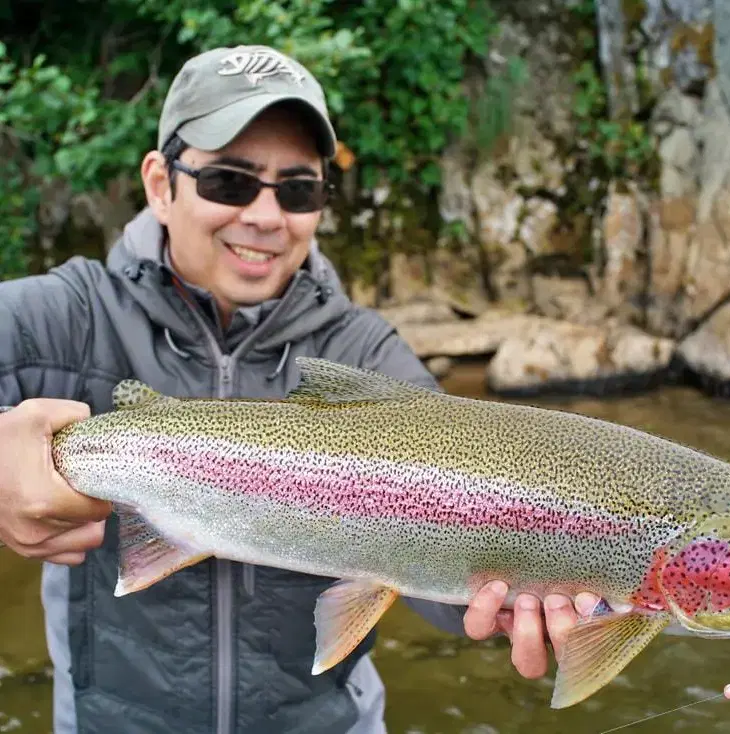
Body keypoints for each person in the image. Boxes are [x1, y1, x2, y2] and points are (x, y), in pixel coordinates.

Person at [0, 44, 597, 733]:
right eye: (229, 181)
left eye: (298, 190)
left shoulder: (364, 352)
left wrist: (511, 590)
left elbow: (434, 577)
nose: (265, 215)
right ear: (160, 184)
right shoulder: (69, 317)